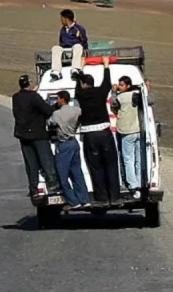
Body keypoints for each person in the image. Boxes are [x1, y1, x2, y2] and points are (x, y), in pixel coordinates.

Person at [74, 56, 121, 204]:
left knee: (96, 167)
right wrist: (106, 65)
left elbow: (77, 85)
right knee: (111, 164)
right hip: (104, 133)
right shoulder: (101, 92)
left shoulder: (81, 95)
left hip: (89, 135)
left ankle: (101, 197)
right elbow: (107, 82)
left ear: (83, 85)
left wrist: (81, 66)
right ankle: (114, 196)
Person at [12, 74, 61, 198]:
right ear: (29, 83)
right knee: (46, 159)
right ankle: (52, 183)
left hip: (23, 135)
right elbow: (47, 111)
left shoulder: (16, 97)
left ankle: (33, 188)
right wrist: (56, 105)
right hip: (37, 134)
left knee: (31, 163)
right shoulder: (34, 97)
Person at [47, 91, 91, 207]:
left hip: (63, 144)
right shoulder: (76, 110)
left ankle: (73, 200)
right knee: (77, 173)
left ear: (61, 99)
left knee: (62, 175)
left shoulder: (57, 114)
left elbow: (49, 123)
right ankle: (84, 199)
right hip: (74, 142)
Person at [112, 76, 143, 199]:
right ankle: (140, 181)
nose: (119, 86)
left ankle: (132, 184)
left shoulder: (120, 97)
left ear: (127, 86)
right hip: (138, 130)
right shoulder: (136, 96)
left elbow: (113, 106)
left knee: (128, 159)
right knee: (138, 159)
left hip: (126, 131)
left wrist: (114, 91)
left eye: (121, 85)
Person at [51, 9, 89, 81]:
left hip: (75, 51)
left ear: (66, 19)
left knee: (78, 46)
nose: (61, 21)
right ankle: (56, 71)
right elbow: (61, 42)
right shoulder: (62, 30)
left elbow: (84, 42)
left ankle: (75, 69)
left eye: (61, 18)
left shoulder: (79, 29)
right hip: (65, 51)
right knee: (55, 48)